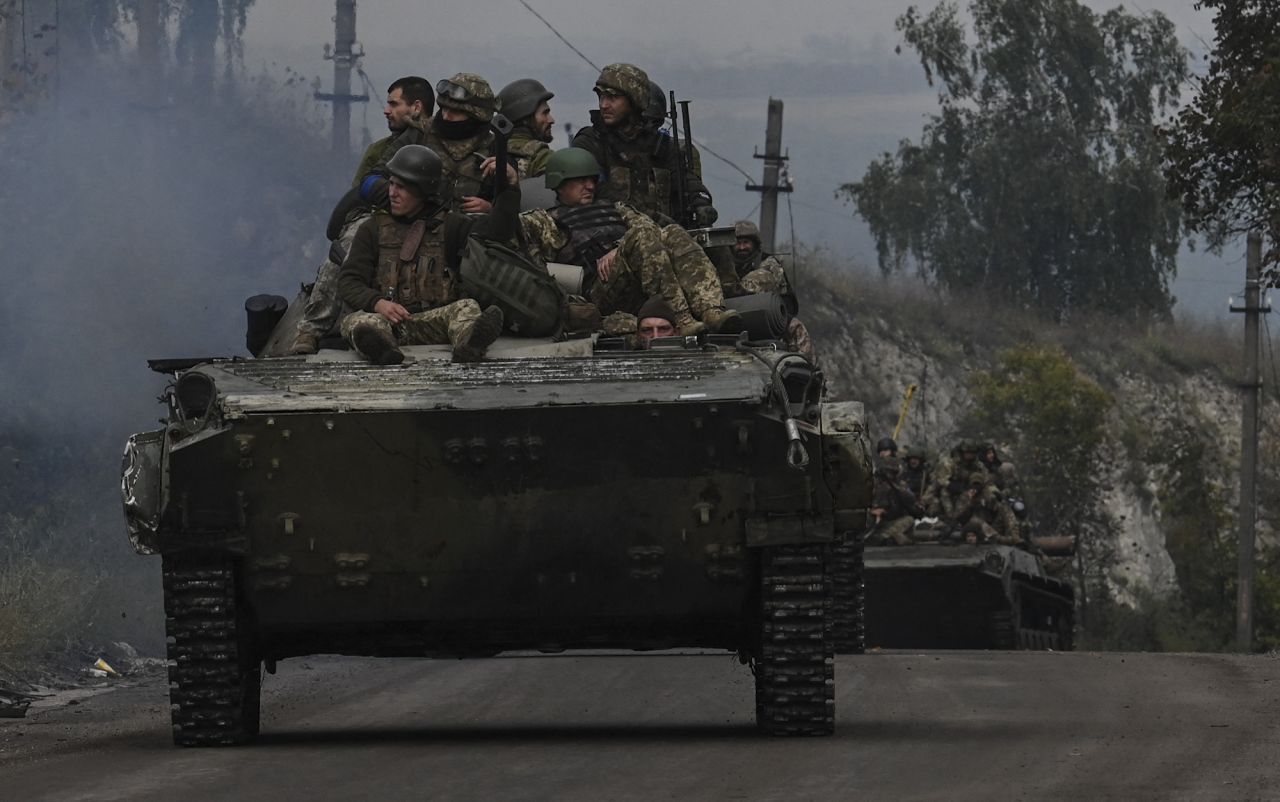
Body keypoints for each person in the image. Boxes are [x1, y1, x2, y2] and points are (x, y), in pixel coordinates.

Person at [518, 148, 742, 335]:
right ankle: (680, 319)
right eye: (581, 180)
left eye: (592, 180)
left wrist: (618, 249)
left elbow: (650, 229)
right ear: (560, 182)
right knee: (642, 236)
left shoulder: (617, 209)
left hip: (636, 281)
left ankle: (711, 309)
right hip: (597, 294)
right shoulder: (542, 222)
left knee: (673, 232)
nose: (590, 186)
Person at [288, 76, 434, 356]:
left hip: (433, 219)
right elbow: (362, 194)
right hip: (381, 218)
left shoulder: (440, 142)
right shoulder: (381, 151)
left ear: (416, 107)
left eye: (394, 103)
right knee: (348, 245)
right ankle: (310, 329)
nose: (386, 109)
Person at [335, 145, 517, 365]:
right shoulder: (371, 229)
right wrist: (378, 303)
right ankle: (381, 349)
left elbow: (498, 233)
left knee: (467, 307)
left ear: (422, 191)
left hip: (435, 320)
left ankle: (469, 344)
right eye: (391, 184)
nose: (392, 193)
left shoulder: (452, 226)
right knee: (357, 322)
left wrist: (510, 188)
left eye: (401, 187)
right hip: (389, 322)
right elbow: (349, 281)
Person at [570, 63, 716, 225]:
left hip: (666, 235)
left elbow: (687, 182)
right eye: (601, 97)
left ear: (634, 101)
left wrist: (701, 202)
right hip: (611, 233)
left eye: (612, 97)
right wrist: (654, 219)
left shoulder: (662, 146)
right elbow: (601, 194)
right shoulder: (591, 142)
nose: (604, 105)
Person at [498, 78, 555, 179]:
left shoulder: (488, 151)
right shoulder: (541, 157)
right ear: (525, 118)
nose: (551, 120)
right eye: (545, 113)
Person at [866, 457, 923, 546]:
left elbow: (911, 500)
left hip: (889, 521)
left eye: (893, 473)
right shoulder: (873, 484)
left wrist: (897, 488)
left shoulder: (899, 485)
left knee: (909, 520)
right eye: (888, 472)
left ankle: (882, 538)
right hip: (872, 519)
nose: (890, 475)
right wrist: (872, 511)